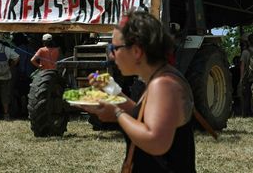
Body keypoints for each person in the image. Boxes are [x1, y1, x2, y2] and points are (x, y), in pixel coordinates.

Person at [79, 11, 196, 172]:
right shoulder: (161, 79)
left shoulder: (164, 84)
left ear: (136, 51)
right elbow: (144, 117)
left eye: (114, 48)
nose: (112, 56)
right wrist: (112, 89)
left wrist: (117, 114)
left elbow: (156, 140)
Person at [239, 33, 253, 117]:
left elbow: (242, 66)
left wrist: (241, 78)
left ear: (248, 42)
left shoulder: (245, 52)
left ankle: (247, 114)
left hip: (249, 78)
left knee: (247, 97)